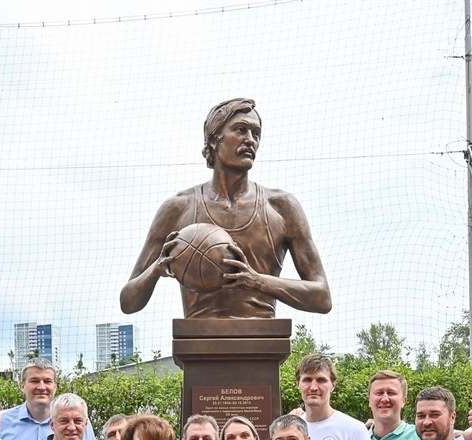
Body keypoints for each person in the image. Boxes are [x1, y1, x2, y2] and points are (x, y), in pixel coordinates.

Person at [120, 97, 331, 320]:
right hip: (197, 344)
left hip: (262, 343)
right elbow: (128, 301)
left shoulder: (281, 207)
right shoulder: (178, 208)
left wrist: (256, 280)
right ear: (213, 139)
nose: (250, 140)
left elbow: (322, 296)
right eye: (240, 130)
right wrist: (156, 270)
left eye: (256, 134)